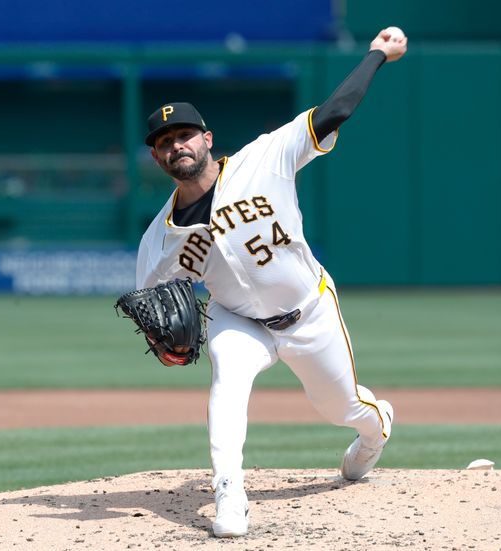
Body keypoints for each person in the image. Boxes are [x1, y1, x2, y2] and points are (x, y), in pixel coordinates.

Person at [136, 27, 408, 538]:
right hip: (238, 318)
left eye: (185, 135)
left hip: (309, 309)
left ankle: (376, 429)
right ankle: (229, 495)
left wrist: (376, 54)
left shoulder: (265, 157)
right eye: (164, 143)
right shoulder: (159, 239)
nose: (177, 146)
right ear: (157, 158)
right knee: (227, 382)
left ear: (207, 138)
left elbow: (334, 111)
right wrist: (162, 339)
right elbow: (149, 303)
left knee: (342, 406)